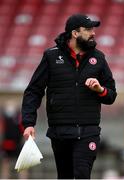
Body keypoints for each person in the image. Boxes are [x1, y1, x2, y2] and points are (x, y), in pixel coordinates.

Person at [22, 14, 117, 179]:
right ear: (74, 33)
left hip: (89, 132)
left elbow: (111, 95)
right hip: (60, 132)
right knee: (64, 176)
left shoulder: (99, 58)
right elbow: (34, 91)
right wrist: (29, 123)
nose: (93, 33)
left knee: (81, 174)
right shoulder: (51, 57)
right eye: (88, 29)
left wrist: (100, 89)